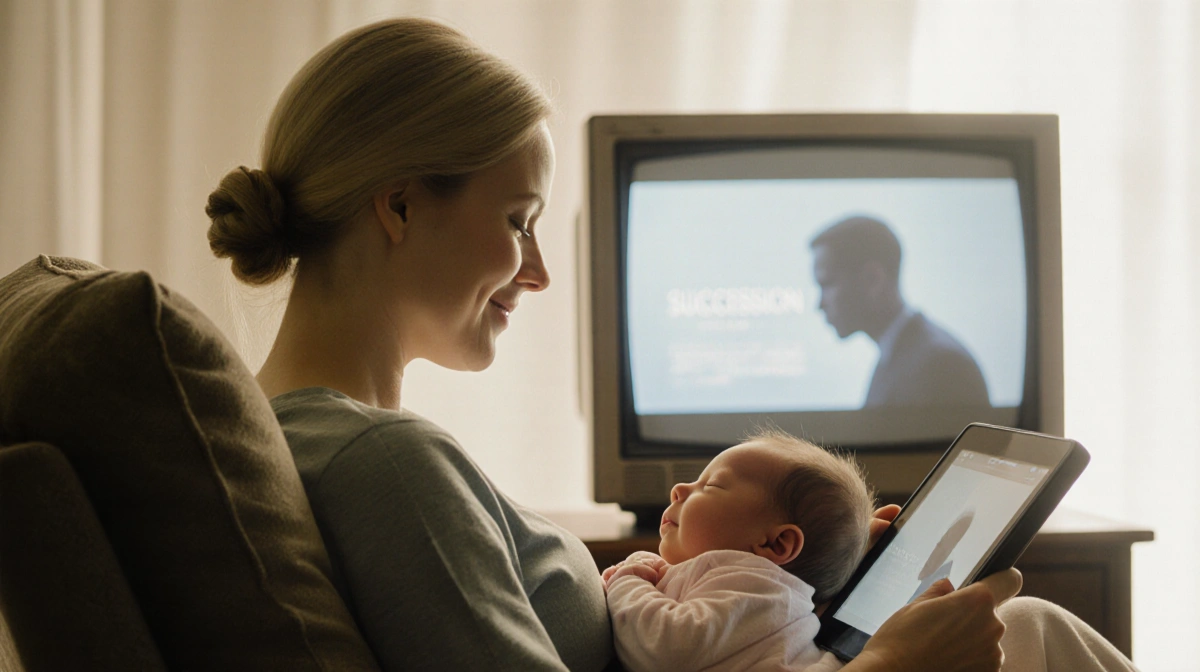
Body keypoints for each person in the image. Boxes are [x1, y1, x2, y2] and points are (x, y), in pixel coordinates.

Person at [205, 16, 1140, 672]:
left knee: (1028, 625)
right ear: (400, 205)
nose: (536, 273)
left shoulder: (313, 440)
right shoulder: (383, 467)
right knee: (1031, 629)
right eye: (518, 219)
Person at [602, 430, 874, 671]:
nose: (678, 489)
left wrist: (628, 582)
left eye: (711, 485)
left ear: (775, 544)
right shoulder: (743, 587)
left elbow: (662, 647)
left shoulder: (760, 590)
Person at [810, 215, 990, 408]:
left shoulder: (940, 366)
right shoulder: (903, 356)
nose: (819, 305)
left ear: (873, 279)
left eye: (827, 284)